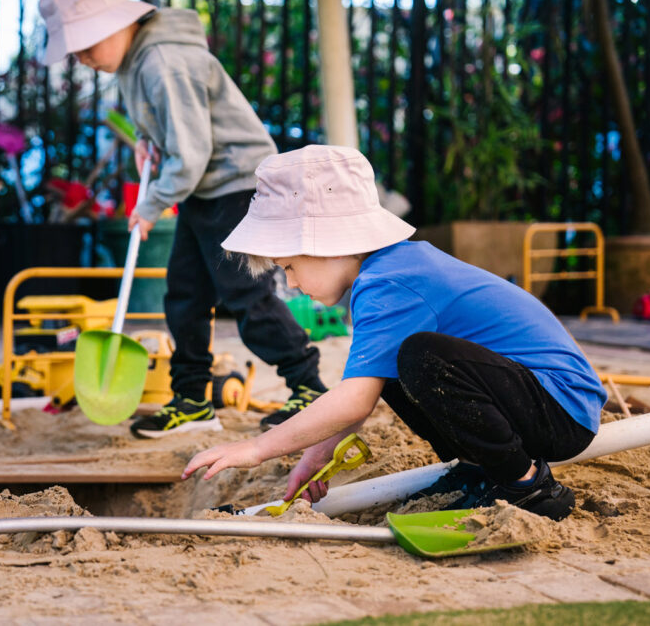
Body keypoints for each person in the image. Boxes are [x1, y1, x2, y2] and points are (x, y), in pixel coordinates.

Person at [182, 145, 607, 520]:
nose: (291, 284)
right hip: (534, 401)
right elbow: (361, 392)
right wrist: (316, 454)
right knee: (391, 368)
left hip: (559, 405)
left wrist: (257, 450)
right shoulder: (384, 272)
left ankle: (526, 485)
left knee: (420, 357)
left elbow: (352, 403)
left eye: (289, 267)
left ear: (327, 241)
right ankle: (482, 471)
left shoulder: (388, 282)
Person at [39, 0, 328, 437]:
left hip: (234, 187)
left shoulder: (163, 62)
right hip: (203, 188)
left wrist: (149, 204)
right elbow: (174, 133)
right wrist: (145, 141)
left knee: (244, 293)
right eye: (74, 51)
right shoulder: (133, 62)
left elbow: (191, 154)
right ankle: (192, 398)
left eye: (86, 44)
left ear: (118, 24)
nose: (83, 58)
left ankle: (309, 386)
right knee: (186, 296)